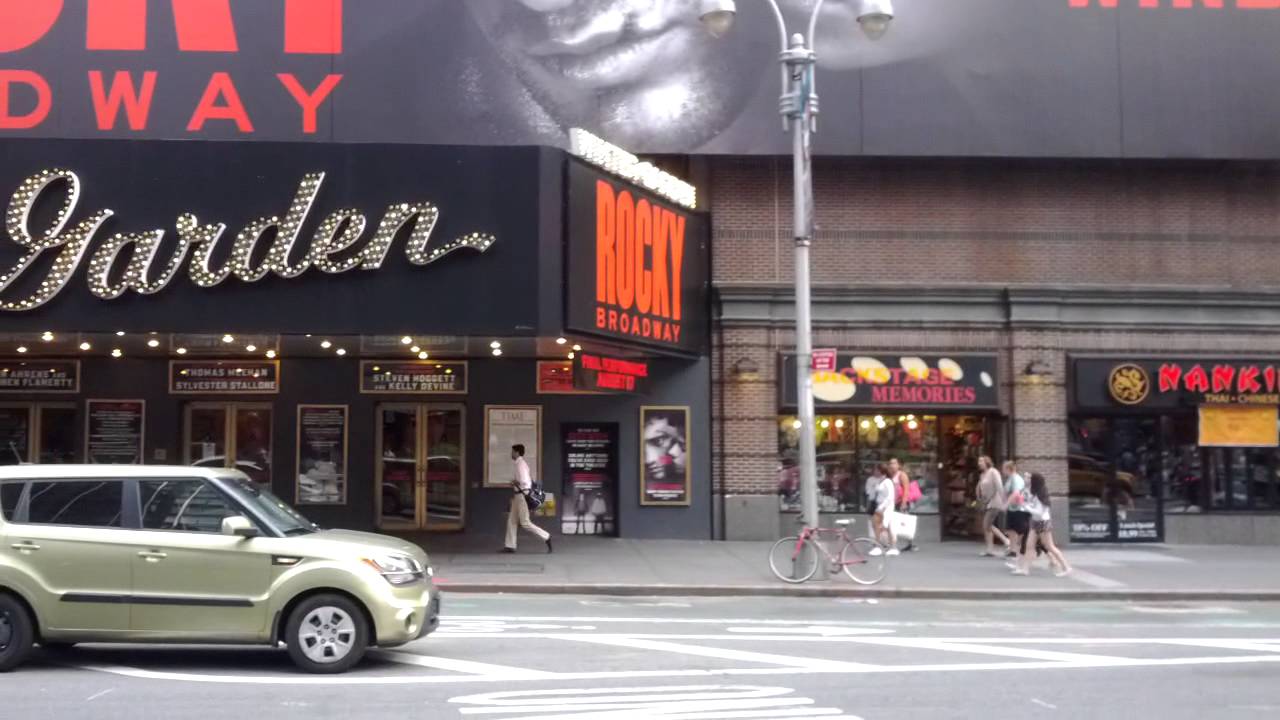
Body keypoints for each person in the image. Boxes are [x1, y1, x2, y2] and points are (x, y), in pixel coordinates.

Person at [1014, 473, 1072, 577]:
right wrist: (1024, 503)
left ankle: (1066, 567)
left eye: (1031, 478)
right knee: (1029, 546)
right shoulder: (1036, 493)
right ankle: (1025, 569)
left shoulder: (1040, 495)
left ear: (1035, 481)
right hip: (1036, 522)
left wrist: (1025, 506)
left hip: (1042, 522)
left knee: (1050, 546)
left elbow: (1039, 512)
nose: (1028, 480)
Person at [501, 444, 552, 553]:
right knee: (512, 520)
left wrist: (515, 482)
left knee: (525, 522)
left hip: (522, 496)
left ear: (517, 453)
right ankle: (510, 545)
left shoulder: (520, 464)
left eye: (512, 451)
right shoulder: (519, 463)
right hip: (517, 495)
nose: (511, 453)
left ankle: (546, 536)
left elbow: (524, 481)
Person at [976, 455, 1011, 557]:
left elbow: (999, 486)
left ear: (987, 462)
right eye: (978, 461)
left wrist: (1004, 501)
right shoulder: (982, 475)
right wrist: (980, 497)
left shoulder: (993, 472)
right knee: (988, 525)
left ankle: (1006, 540)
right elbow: (981, 488)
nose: (979, 463)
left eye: (981, 461)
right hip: (986, 502)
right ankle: (990, 549)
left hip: (995, 501)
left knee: (986, 524)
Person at [1002, 460, 1030, 567]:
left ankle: (1021, 551)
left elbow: (1016, 493)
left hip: (1019, 509)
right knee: (1011, 529)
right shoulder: (1010, 479)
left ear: (1009, 469)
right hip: (1012, 508)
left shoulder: (1016, 479)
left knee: (1020, 530)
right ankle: (1013, 550)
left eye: (1004, 468)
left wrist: (1005, 504)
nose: (1002, 470)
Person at [869, 463, 899, 557]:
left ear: (881, 471)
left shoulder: (887, 482)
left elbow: (890, 496)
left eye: (876, 470)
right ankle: (886, 546)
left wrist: (882, 507)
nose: (874, 471)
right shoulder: (881, 481)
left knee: (883, 526)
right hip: (881, 506)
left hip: (885, 507)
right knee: (881, 526)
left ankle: (885, 547)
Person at [887, 457, 916, 552]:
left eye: (894, 463)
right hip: (893, 502)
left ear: (899, 465)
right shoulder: (891, 475)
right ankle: (896, 543)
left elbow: (906, 489)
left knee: (905, 522)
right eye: (890, 463)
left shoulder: (902, 475)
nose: (892, 465)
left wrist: (904, 503)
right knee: (895, 522)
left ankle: (910, 543)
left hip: (901, 502)